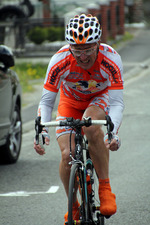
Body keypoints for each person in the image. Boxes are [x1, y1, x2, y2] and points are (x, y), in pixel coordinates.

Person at [34, 14, 124, 224]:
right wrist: (41, 132)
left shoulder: (111, 58)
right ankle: (73, 205)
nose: (83, 57)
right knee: (67, 155)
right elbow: (46, 102)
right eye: (77, 50)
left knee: (91, 124)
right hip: (70, 101)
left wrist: (113, 134)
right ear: (69, 47)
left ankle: (105, 188)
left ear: (98, 44)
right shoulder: (59, 60)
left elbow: (117, 103)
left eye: (88, 50)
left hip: (98, 99)